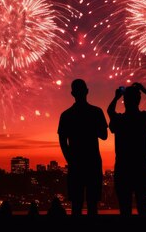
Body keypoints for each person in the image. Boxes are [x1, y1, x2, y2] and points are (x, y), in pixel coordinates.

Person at [107, 82, 146, 216]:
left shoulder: (120, 120)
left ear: (124, 101)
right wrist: (144, 89)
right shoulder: (144, 119)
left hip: (123, 169)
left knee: (124, 210)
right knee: (143, 210)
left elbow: (110, 111)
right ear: (139, 100)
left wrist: (116, 97)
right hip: (142, 169)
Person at [58, 79, 108, 216]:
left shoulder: (66, 115)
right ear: (87, 91)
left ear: (72, 93)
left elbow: (62, 142)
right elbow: (104, 136)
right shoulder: (96, 112)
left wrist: (70, 160)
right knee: (93, 204)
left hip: (76, 163)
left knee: (76, 204)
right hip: (93, 162)